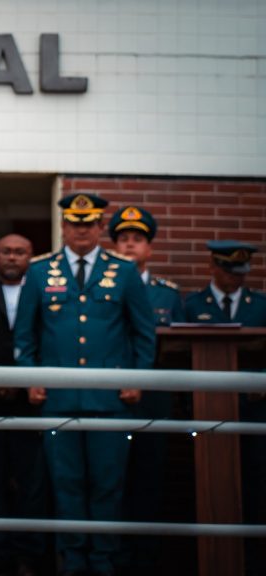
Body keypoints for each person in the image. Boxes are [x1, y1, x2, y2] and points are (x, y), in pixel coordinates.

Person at [15, 193, 155, 576]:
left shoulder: (122, 271)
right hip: (57, 400)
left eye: (88, 224)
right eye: (74, 224)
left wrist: (137, 378)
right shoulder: (41, 271)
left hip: (110, 400)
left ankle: (104, 560)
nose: (80, 230)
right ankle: (72, 561)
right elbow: (25, 335)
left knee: (108, 485)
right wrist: (30, 377)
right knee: (66, 485)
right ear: (64, 226)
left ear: (98, 227)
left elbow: (143, 333)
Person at [107, 206, 183, 575]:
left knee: (149, 479)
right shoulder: (103, 289)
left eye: (137, 240)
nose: (130, 246)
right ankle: (117, 557)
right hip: (110, 397)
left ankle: (146, 560)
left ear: (149, 248)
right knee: (112, 481)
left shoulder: (167, 294)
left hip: (152, 400)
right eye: (123, 240)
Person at [183, 240, 266, 576]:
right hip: (208, 411)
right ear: (213, 267)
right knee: (205, 487)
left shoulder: (260, 305)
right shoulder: (191, 304)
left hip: (255, 410)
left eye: (241, 271)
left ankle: (256, 560)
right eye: (230, 270)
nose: (237, 278)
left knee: (257, 484)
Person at [0, 233, 47, 576]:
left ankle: (27, 555)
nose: (12, 257)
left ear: (30, 257)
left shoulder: (44, 289)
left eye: (20, 252)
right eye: (6, 251)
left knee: (30, 480)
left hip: (33, 400)